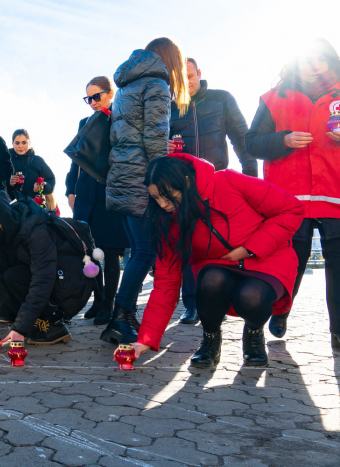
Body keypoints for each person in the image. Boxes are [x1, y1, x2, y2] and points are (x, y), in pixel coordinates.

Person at [127, 154, 304, 367]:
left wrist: (250, 249)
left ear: (186, 182)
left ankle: (254, 332)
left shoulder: (228, 181)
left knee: (251, 296)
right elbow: (165, 283)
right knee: (210, 279)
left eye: (169, 196)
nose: (163, 204)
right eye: (156, 197)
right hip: (218, 265)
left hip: (267, 257)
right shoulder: (168, 221)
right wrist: (145, 339)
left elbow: (291, 208)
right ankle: (210, 340)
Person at [246, 38, 340, 349]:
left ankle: (338, 331)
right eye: (309, 60)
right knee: (291, 263)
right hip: (289, 200)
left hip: (335, 196)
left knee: (338, 266)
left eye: (323, 60)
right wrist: (283, 140)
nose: (316, 66)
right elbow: (252, 144)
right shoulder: (273, 98)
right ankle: (281, 310)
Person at [101, 37, 187, 345]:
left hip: (121, 177)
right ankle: (121, 317)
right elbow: (154, 135)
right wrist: (161, 179)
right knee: (144, 251)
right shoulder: (156, 85)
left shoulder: (127, 85)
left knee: (138, 250)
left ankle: (124, 316)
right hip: (141, 179)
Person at [168, 58, 258, 325]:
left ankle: (221, 297)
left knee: (219, 241)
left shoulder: (222, 99)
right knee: (188, 244)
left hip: (218, 182)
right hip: (182, 186)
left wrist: (251, 179)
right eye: (180, 79)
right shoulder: (168, 109)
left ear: (199, 74)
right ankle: (192, 304)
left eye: (190, 76)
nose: (187, 82)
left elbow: (242, 138)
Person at [0, 191, 94, 345]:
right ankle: (36, 323)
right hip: (49, 283)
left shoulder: (35, 232)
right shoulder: (0, 232)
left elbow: (42, 280)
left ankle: (54, 324)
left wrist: (20, 328)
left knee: (13, 276)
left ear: (3, 219)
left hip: (68, 286)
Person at [65, 76, 129, 326]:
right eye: (87, 98)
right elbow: (76, 159)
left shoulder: (120, 117)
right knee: (90, 251)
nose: (92, 102)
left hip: (110, 192)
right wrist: (71, 189)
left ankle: (109, 304)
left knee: (110, 251)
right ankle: (98, 298)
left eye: (96, 96)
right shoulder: (85, 122)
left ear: (110, 93)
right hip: (86, 193)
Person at [8, 129, 55, 201]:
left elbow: (51, 181)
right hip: (10, 206)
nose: (20, 146)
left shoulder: (38, 161)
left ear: (29, 143)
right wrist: (9, 182)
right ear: (12, 143)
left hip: (32, 207)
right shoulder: (6, 161)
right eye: (17, 143)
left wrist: (42, 187)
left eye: (24, 143)